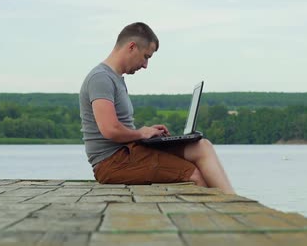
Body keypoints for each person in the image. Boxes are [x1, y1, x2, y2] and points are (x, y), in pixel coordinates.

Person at [79, 22, 234, 194]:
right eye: (146, 56)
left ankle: (235, 202)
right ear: (132, 47)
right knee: (194, 175)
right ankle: (225, 215)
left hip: (128, 153)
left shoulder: (114, 78)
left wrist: (147, 134)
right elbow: (110, 130)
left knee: (202, 147)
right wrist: (141, 133)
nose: (145, 65)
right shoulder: (101, 78)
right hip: (112, 163)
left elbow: (117, 128)